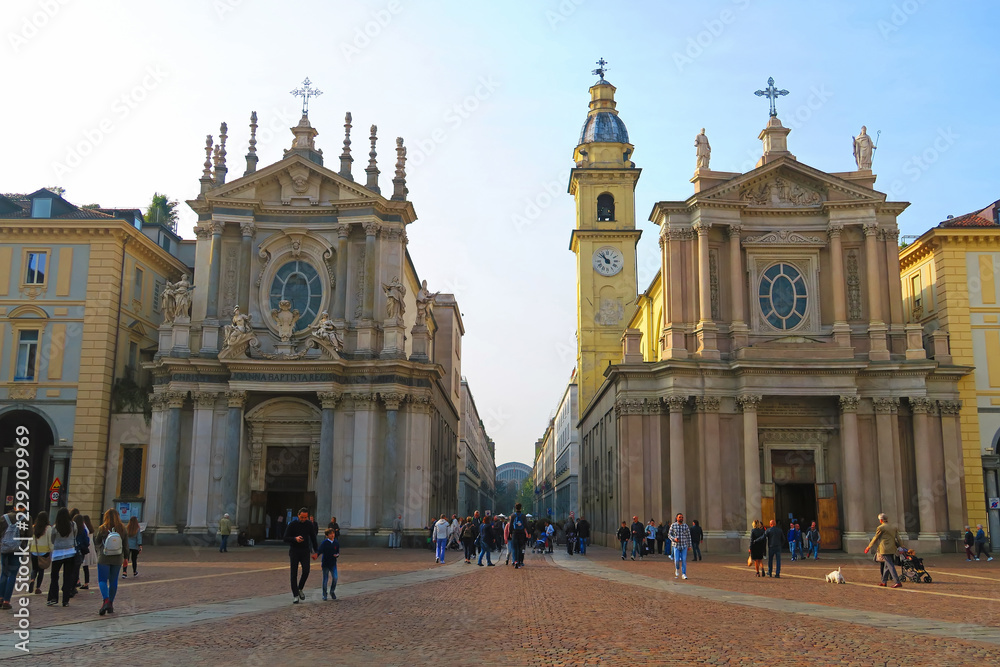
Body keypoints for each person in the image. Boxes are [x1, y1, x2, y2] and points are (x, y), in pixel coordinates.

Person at [95, 508, 127, 615]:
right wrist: (126, 557)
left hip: (104, 556)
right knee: (113, 581)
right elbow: (126, 545)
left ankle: (106, 600)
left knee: (102, 580)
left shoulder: (102, 528)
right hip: (117, 557)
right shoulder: (122, 529)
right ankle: (111, 604)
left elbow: (97, 541)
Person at [284, 507, 319, 603]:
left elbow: (313, 538)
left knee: (306, 570)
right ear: (298, 515)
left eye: (305, 517)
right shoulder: (292, 524)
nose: (303, 519)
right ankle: (295, 595)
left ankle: (300, 588)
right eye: (302, 517)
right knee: (293, 573)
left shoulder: (309, 524)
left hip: (305, 551)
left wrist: (316, 551)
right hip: (294, 551)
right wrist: (295, 539)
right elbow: (285, 538)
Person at [46, 507, 77, 606]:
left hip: (57, 554)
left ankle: (53, 597)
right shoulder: (73, 525)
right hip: (70, 553)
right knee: (67, 577)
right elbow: (75, 536)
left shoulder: (55, 527)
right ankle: (65, 600)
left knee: (54, 576)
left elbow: (52, 540)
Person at [865, 512, 903, 587]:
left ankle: (897, 581)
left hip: (884, 548)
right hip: (892, 548)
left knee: (890, 565)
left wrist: (869, 546)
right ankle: (884, 581)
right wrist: (901, 546)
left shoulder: (880, 528)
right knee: (887, 565)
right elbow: (898, 538)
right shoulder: (893, 527)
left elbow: (875, 538)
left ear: (881, 520)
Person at [0, 510, 26, 610]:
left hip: (5, 548)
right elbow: (28, 535)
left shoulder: (3, 517)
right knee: (12, 574)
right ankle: (7, 601)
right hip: (18, 549)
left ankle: (0, 597)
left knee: (4, 573)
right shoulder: (26, 519)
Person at [29, 511, 52, 595]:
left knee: (34, 569)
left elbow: (30, 539)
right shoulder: (48, 528)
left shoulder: (34, 527)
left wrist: (29, 548)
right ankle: (37, 588)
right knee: (41, 570)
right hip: (44, 551)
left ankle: (32, 580)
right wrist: (51, 549)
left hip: (34, 550)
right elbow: (50, 541)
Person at [316, 527, 340, 600]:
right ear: (327, 535)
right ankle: (324, 594)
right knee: (325, 579)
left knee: (335, 578)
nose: (332, 535)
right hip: (326, 563)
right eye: (330, 534)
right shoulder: (325, 543)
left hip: (333, 563)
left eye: (333, 533)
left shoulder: (336, 542)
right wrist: (316, 555)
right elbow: (319, 550)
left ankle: (332, 591)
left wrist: (337, 555)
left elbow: (337, 551)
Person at [668, 513, 693, 579]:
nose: (681, 518)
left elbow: (688, 536)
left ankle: (684, 574)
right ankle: (677, 568)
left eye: (682, 517)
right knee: (676, 560)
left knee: (684, 560)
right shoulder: (673, 525)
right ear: (677, 518)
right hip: (676, 546)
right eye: (680, 517)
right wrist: (674, 539)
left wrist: (689, 545)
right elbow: (669, 535)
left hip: (684, 545)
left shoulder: (685, 526)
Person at [510, 503, 529, 569]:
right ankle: (520, 561)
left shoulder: (513, 516)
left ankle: (515, 561)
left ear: (515, 508)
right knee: (521, 547)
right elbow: (526, 525)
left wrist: (510, 532)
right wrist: (528, 533)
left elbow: (510, 525)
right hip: (521, 533)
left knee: (515, 548)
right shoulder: (523, 516)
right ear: (521, 508)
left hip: (515, 533)